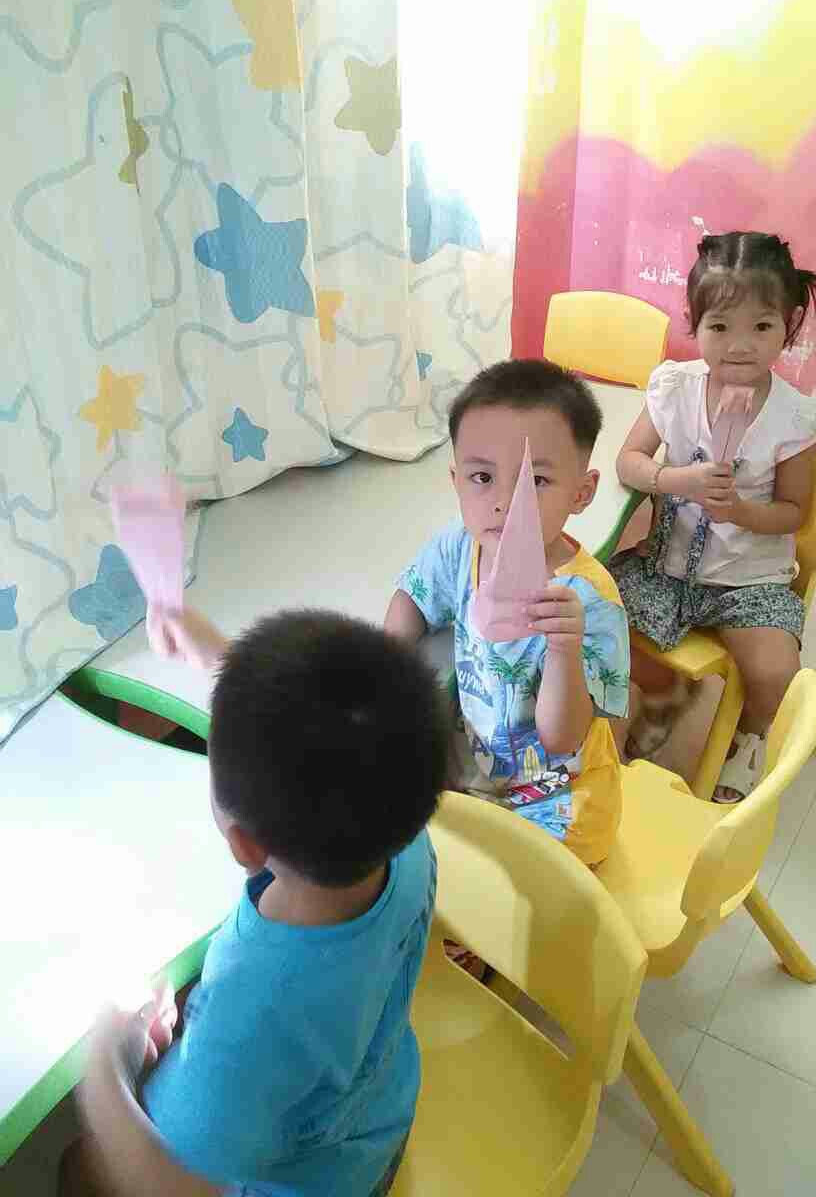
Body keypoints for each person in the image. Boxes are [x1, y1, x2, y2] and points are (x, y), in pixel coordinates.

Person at [68, 608, 450, 1197]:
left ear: (244, 845)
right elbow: (331, 742)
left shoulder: (256, 1011)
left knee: (80, 1169)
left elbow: (175, 1185)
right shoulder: (404, 840)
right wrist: (228, 663)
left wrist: (100, 1073)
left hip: (303, 1183)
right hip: (375, 1123)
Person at [385, 359, 630, 868]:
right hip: (481, 779)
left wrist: (563, 649)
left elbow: (562, 737)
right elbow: (412, 597)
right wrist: (386, 668)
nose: (504, 503)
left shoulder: (589, 600)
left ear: (581, 493)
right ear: (456, 481)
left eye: (535, 480)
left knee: (498, 890)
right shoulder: (461, 545)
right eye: (482, 477)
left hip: (559, 803)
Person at [612, 231, 816, 802]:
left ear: (789, 324)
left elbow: (794, 514)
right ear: (695, 322)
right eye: (720, 327)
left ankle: (749, 738)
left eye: (762, 327)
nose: (740, 346)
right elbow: (629, 460)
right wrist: (674, 479)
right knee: (597, 617)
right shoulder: (675, 388)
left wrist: (741, 510)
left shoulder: (793, 418)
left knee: (776, 671)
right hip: (665, 565)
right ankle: (663, 696)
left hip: (748, 579)